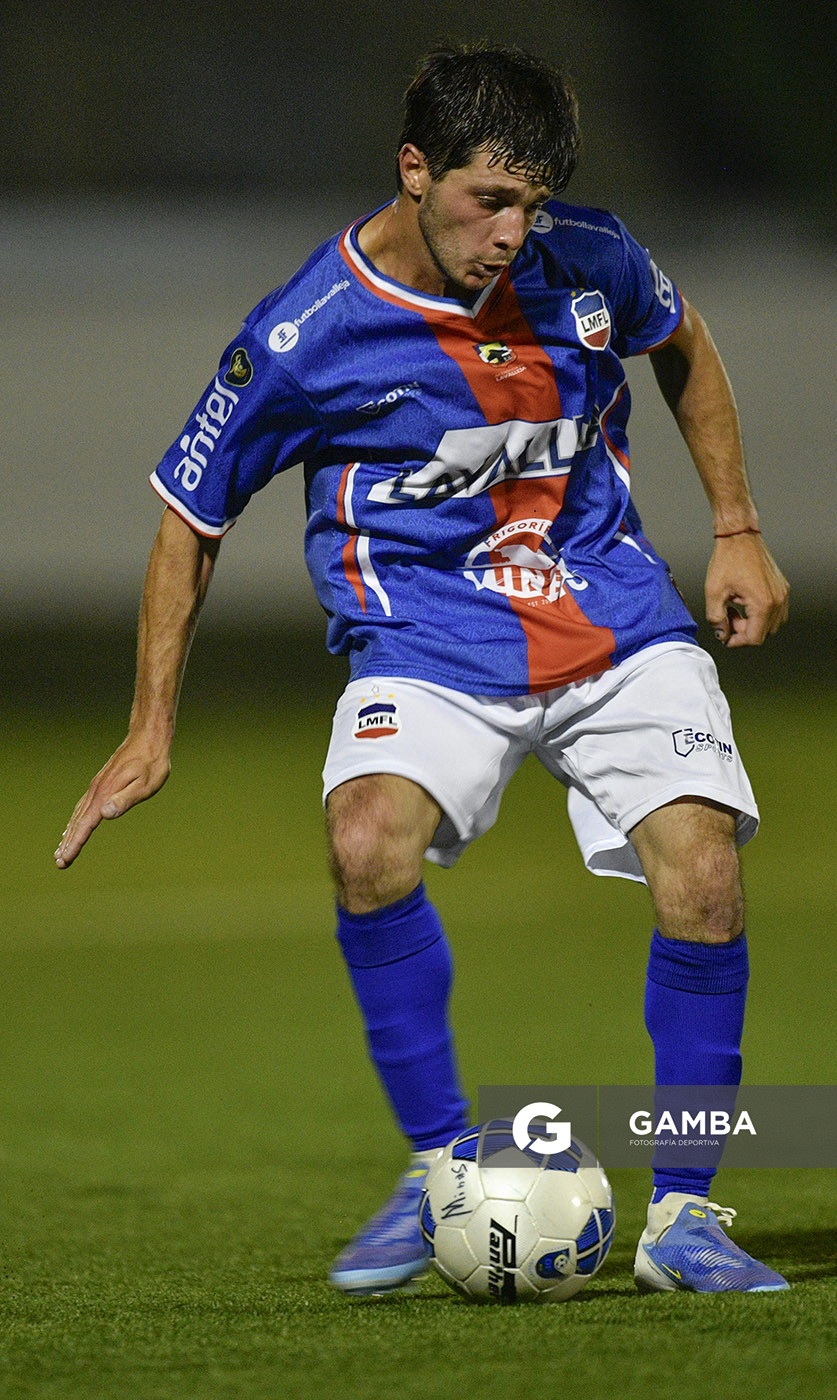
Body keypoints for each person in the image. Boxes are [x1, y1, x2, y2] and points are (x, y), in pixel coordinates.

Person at [56, 44, 790, 1296]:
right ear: (414, 170)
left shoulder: (592, 259)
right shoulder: (306, 335)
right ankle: (442, 1164)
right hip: (424, 637)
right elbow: (191, 514)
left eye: (532, 203)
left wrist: (734, 525)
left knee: (705, 868)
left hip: (611, 615)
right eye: (485, 201)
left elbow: (682, 340)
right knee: (365, 842)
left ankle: (686, 1215)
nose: (513, 232)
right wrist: (149, 721)